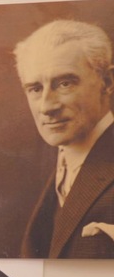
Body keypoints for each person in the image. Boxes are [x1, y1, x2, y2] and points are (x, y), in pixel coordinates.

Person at [14, 19, 114, 258]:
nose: (47, 107)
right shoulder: (35, 171)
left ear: (107, 82)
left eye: (65, 83)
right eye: (35, 89)